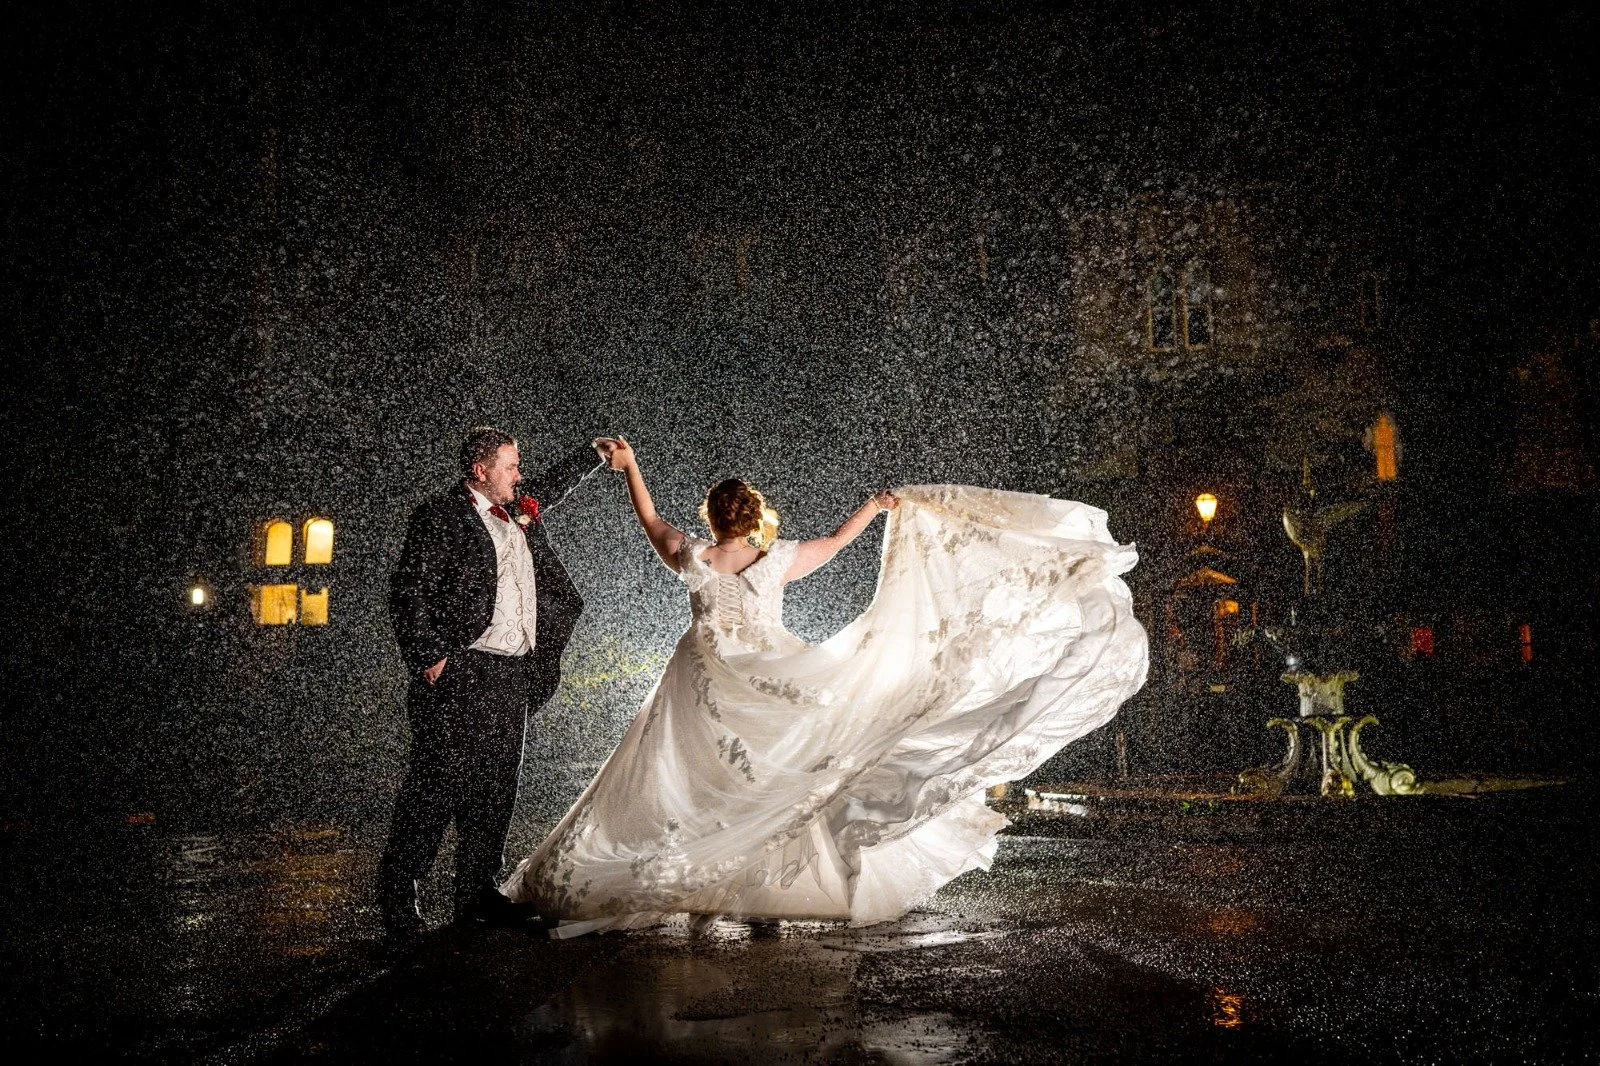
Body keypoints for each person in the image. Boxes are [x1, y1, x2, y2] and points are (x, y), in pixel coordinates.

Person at [502, 437, 1149, 937]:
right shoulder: (776, 559)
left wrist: (632, 467)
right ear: (752, 516)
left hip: (699, 683)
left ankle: (707, 884)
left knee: (692, 783)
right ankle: (750, 891)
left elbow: (650, 517)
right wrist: (875, 504)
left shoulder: (692, 556)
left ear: (713, 518)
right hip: (771, 682)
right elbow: (838, 544)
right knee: (776, 781)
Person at [379, 427, 608, 947]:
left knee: (495, 787)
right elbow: (409, 586)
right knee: (436, 785)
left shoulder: (519, 511)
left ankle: (476, 894)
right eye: (510, 466)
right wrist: (429, 655)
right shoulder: (441, 515)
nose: (519, 475)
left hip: (512, 672)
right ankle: (399, 897)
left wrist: (593, 455)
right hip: (462, 668)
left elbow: (548, 485)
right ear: (480, 471)